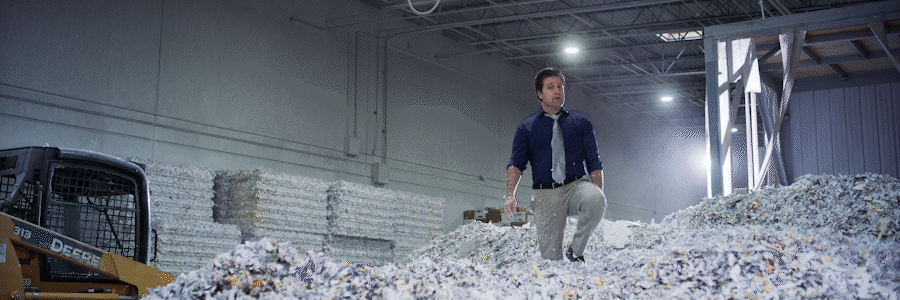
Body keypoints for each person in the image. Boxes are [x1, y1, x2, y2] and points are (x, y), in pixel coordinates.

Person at [504, 67, 606, 262]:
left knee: (596, 198)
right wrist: (510, 196)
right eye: (550, 87)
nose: (557, 91)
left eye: (560, 86)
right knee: (551, 261)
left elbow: (594, 160)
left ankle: (576, 251)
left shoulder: (580, 122)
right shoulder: (527, 127)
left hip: (576, 186)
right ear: (540, 94)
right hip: (546, 194)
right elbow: (516, 164)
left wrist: (598, 195)